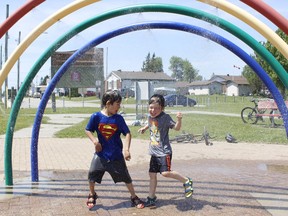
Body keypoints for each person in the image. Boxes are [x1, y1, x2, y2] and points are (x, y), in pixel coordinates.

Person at [85, 90, 144, 209]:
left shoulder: (118, 119)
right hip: (101, 155)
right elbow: (88, 130)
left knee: (126, 177)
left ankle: (133, 196)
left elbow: (127, 133)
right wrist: (95, 141)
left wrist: (126, 150)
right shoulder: (96, 117)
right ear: (108, 104)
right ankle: (92, 194)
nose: (119, 106)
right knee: (92, 174)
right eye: (117, 104)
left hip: (116, 155)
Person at [138, 94, 193, 207]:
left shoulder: (166, 117)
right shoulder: (150, 116)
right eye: (151, 107)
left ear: (162, 108)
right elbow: (151, 123)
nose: (153, 110)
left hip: (164, 152)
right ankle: (151, 197)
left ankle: (187, 181)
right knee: (152, 174)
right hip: (154, 152)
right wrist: (144, 128)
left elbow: (177, 128)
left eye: (157, 108)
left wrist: (179, 119)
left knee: (165, 173)